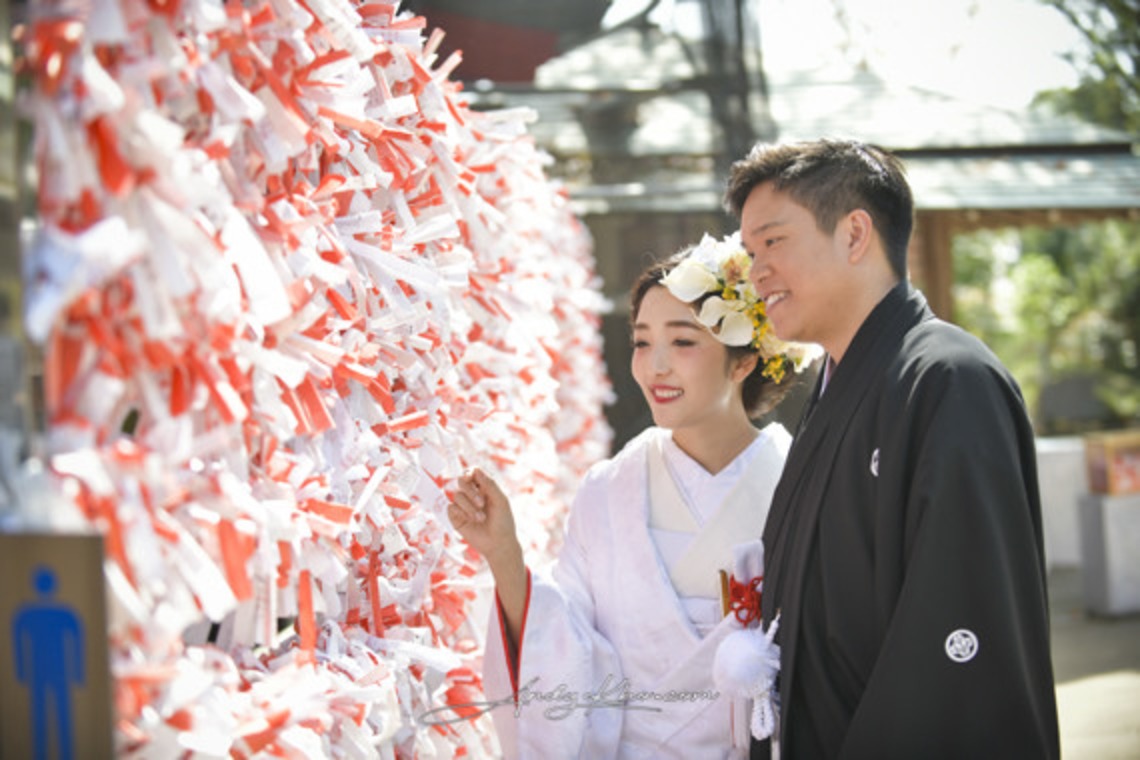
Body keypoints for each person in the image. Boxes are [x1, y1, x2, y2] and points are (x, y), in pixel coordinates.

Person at [724, 138, 1060, 758]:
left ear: (855, 234)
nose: (755, 269)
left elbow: (960, 626)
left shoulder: (949, 379)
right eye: (749, 251)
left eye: (773, 242)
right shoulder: (834, 388)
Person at [448, 234, 817, 759]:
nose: (654, 366)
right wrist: (503, 554)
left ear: (744, 361)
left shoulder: (799, 486)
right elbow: (567, 646)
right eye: (643, 342)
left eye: (683, 342)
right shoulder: (609, 491)